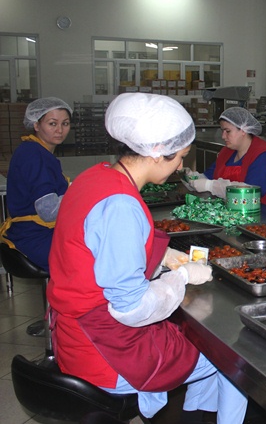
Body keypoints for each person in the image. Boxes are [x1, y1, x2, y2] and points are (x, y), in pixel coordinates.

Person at [46, 93, 248, 423]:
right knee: (233, 356)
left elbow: (95, 250)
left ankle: (193, 415)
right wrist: (180, 278)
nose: (180, 166)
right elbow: (131, 308)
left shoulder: (95, 177)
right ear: (156, 152)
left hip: (73, 337)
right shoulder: (121, 205)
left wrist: (164, 256)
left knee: (199, 341)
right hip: (106, 353)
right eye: (179, 157)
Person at [0, 97, 72, 272]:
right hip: (35, 236)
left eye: (65, 123)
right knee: (96, 257)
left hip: (40, 231)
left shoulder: (36, 151)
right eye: (52, 123)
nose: (60, 130)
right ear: (36, 125)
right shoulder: (33, 155)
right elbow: (48, 211)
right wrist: (81, 194)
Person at [190, 107, 266, 210]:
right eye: (222, 131)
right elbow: (209, 176)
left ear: (243, 130)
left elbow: (250, 193)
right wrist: (192, 177)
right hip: (236, 212)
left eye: (228, 131)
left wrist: (211, 186)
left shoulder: (264, 156)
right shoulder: (227, 152)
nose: (223, 136)